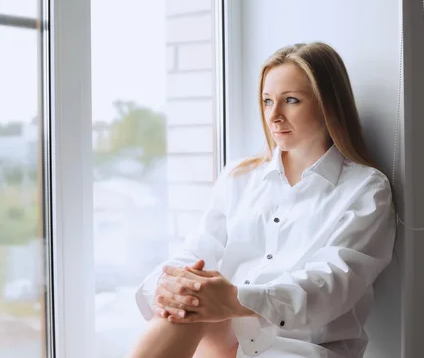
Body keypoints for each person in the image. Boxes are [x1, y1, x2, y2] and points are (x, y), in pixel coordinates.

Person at [129, 42, 396, 358]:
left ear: (328, 105)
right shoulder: (240, 178)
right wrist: (167, 285)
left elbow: (329, 286)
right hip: (227, 338)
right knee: (184, 303)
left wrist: (236, 299)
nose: (274, 116)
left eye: (291, 100)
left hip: (299, 348)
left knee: (194, 302)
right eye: (267, 101)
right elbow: (200, 249)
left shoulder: (365, 189)